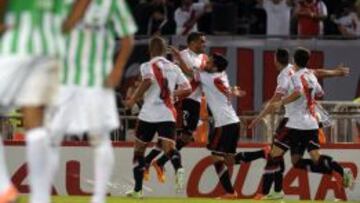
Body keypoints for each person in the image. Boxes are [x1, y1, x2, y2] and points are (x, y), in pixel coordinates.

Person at [49, 1, 137, 203]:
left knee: (100, 136)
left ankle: (99, 198)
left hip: (98, 79)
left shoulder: (112, 3)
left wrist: (118, 69)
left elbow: (128, 38)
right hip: (65, 80)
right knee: (51, 135)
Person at [249, 48, 351, 200]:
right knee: (306, 159)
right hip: (311, 123)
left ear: (277, 59)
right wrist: (337, 73)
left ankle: (264, 193)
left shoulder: (289, 75)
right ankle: (340, 171)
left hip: (294, 123)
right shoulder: (308, 73)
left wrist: (263, 115)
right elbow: (319, 88)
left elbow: (289, 95)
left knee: (273, 155)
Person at [0, 0, 74, 202]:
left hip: (17, 47)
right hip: (49, 53)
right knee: (37, 125)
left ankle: (3, 187)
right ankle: (40, 197)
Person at [194, 53, 269, 199]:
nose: (206, 64)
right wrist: (233, 91)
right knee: (229, 160)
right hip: (232, 122)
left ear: (215, 67)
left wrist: (181, 59)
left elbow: (191, 70)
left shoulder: (209, 78)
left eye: (209, 62)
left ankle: (230, 192)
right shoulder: (222, 75)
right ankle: (262, 153)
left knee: (216, 157)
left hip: (224, 124)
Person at [125, 36, 192, 198]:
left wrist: (133, 99)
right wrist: (172, 95)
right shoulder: (174, 68)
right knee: (169, 149)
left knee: (139, 151)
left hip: (148, 114)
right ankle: (179, 167)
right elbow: (187, 88)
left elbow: (147, 81)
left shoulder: (147, 66)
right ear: (164, 51)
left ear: (150, 50)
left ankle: (138, 190)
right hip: (167, 113)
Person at [143, 32, 208, 183]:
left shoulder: (204, 58)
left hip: (196, 100)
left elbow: (200, 77)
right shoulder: (182, 55)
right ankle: (157, 162)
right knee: (182, 136)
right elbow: (183, 75)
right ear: (192, 43)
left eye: (204, 42)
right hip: (184, 99)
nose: (204, 45)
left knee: (178, 138)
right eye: (201, 42)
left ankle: (151, 161)